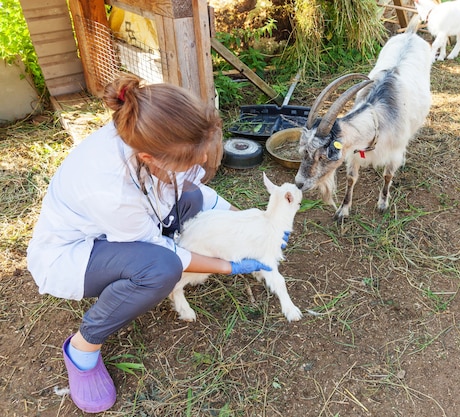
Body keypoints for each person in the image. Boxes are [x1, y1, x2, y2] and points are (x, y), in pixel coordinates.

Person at [26, 74, 274, 413]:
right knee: (161, 269)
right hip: (72, 255)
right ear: (148, 158)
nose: (200, 164)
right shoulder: (110, 189)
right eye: (191, 161)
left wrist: (248, 219)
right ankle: (82, 348)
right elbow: (162, 250)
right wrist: (228, 266)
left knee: (189, 199)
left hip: (121, 226)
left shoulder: (152, 133)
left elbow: (193, 190)